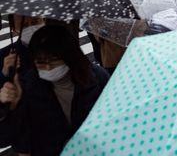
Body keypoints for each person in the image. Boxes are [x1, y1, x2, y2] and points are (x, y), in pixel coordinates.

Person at [0, 25, 109, 155]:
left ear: (69, 56)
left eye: (54, 60)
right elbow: (6, 138)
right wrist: (12, 107)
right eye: (40, 62)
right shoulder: (27, 87)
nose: (48, 67)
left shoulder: (97, 78)